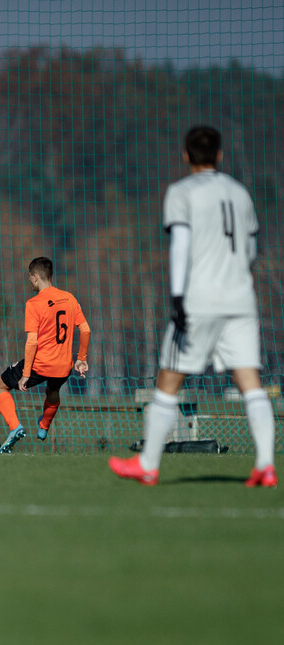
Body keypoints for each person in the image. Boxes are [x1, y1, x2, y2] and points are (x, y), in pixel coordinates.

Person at [110, 126, 276, 487]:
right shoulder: (240, 192)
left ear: (185, 155)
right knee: (250, 381)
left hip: (200, 298)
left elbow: (180, 245)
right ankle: (265, 463)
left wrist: (177, 296)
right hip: (241, 298)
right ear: (219, 155)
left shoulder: (181, 192)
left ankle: (148, 464)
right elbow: (249, 251)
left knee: (169, 378)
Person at [0, 257, 91, 453]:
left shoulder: (34, 303)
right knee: (52, 392)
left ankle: (14, 428)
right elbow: (86, 330)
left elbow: (32, 341)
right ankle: (44, 426)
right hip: (64, 366)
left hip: (40, 365)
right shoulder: (70, 298)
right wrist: (82, 358)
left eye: (30, 278)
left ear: (35, 277)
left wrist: (26, 373)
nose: (30, 282)